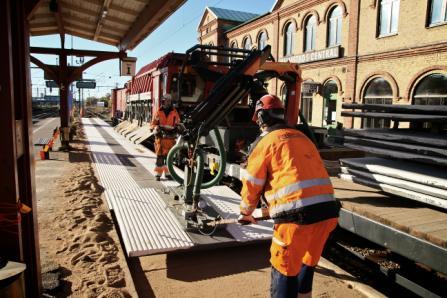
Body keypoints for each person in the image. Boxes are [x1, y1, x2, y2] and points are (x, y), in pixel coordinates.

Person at [238, 94, 340, 298]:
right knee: (306, 263)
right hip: (328, 213)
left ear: (261, 117)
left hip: (295, 220)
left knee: (284, 269)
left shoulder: (265, 142)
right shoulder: (302, 137)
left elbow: (253, 183)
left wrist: (246, 212)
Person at [150, 94, 181, 181]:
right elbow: (152, 124)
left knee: (169, 158)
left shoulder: (174, 112)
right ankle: (158, 174)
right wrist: (155, 128)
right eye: (166, 100)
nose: (168, 102)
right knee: (159, 158)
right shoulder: (158, 112)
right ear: (163, 101)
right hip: (160, 139)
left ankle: (167, 174)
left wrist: (178, 129)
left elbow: (178, 123)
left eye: (169, 100)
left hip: (170, 139)